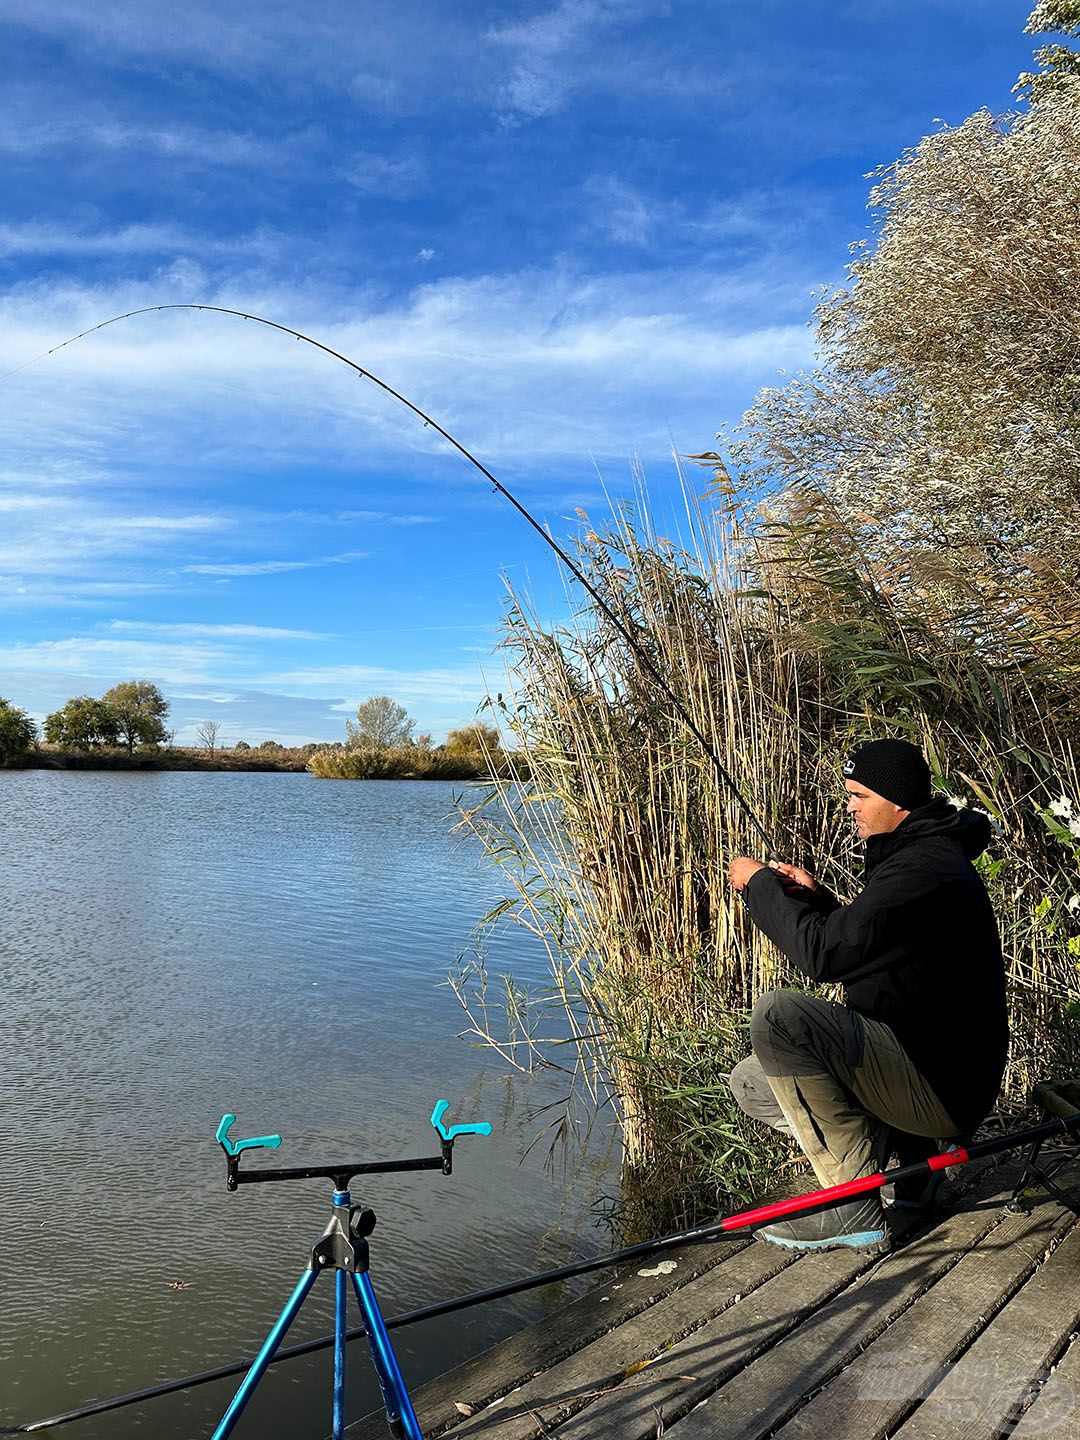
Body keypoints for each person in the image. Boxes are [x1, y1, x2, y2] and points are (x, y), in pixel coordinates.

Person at [726, 737, 1008, 1253]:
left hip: (942, 1087)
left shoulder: (922, 869)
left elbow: (825, 957)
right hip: (934, 1068)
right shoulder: (920, 856)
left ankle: (850, 1203)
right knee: (751, 1082)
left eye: (859, 795)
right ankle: (916, 1174)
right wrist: (813, 898)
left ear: (897, 800)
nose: (850, 806)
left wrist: (762, 887)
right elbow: (868, 950)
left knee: (779, 1015)